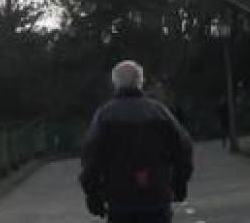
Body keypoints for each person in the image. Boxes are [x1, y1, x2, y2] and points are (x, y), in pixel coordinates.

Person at [79, 60, 195, 221]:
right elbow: (183, 147)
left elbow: (91, 157)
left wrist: (92, 194)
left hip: (119, 198)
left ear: (115, 84)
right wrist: (179, 183)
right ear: (140, 82)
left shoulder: (104, 115)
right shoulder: (159, 112)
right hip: (156, 194)